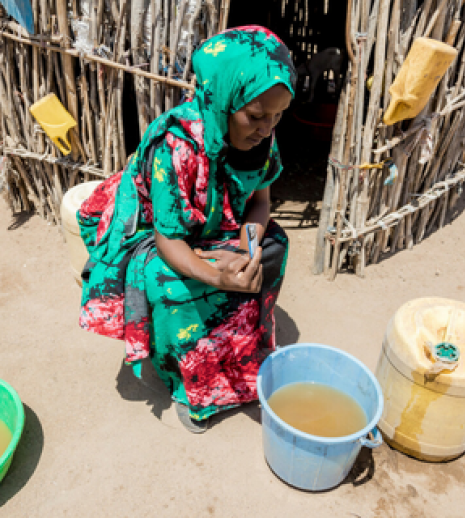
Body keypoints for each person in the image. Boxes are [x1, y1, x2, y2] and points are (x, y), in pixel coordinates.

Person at [78, 26, 296, 433]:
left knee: (273, 248)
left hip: (220, 229)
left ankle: (242, 348)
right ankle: (190, 383)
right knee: (168, 282)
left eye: (278, 115)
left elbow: (261, 203)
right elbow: (168, 240)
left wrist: (246, 253)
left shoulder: (263, 140)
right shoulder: (176, 145)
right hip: (156, 235)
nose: (267, 128)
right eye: (256, 115)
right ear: (224, 97)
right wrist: (218, 274)